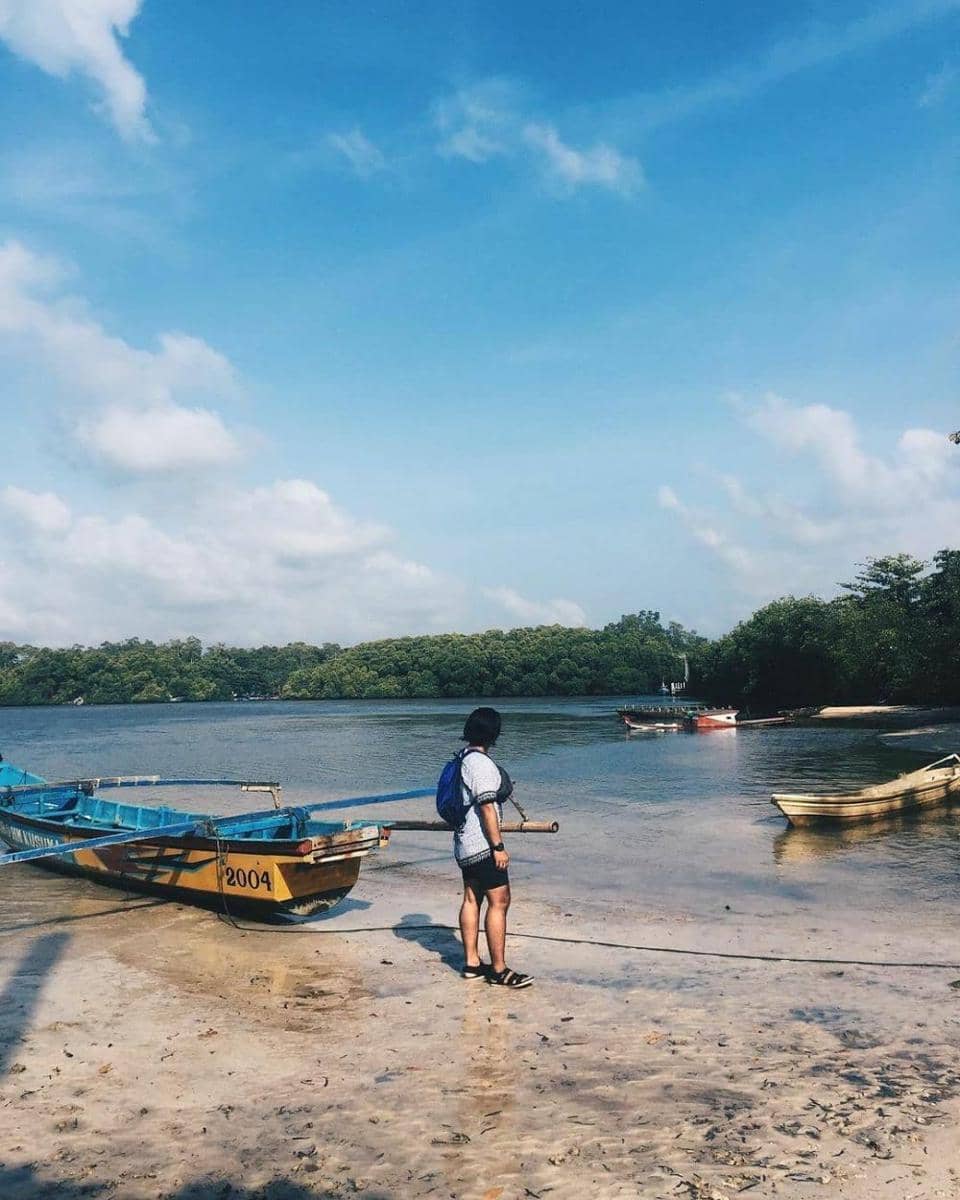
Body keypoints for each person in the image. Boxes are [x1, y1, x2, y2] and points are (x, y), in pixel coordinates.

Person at [454, 706, 533, 989]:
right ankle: (499, 970)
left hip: (464, 844)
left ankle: (472, 964)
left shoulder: (463, 758)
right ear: (494, 733)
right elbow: (487, 807)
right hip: (483, 846)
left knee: (472, 898)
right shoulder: (481, 764)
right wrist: (498, 846)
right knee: (500, 901)